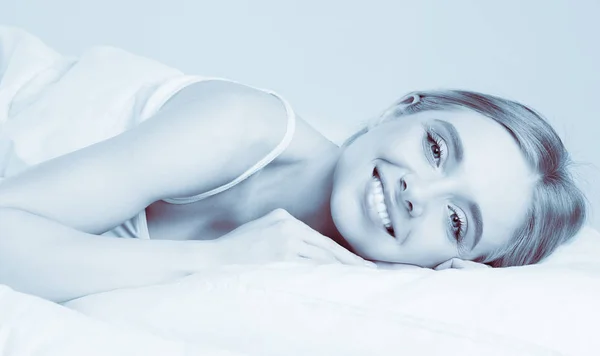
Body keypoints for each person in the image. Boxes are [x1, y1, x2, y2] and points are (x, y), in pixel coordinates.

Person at [0, 78, 587, 303]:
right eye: (436, 149)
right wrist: (216, 260)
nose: (418, 194)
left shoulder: (352, 281)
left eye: (457, 221)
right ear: (399, 108)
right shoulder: (239, 125)